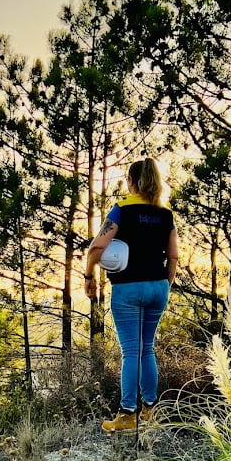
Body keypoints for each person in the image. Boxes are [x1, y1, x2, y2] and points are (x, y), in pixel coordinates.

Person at [84, 157, 179, 433]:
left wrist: (89, 276)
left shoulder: (122, 209)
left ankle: (127, 414)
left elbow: (97, 247)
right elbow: (173, 256)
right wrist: (164, 285)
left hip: (128, 288)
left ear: (132, 181)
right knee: (147, 348)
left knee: (131, 352)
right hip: (158, 286)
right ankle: (150, 410)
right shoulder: (165, 214)